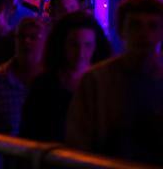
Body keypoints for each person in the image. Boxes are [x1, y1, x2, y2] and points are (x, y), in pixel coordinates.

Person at [66, 0, 163, 164]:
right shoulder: (95, 81)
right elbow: (78, 144)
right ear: (120, 30)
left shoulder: (97, 79)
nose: (144, 34)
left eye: (152, 26)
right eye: (135, 25)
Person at [19, 11, 110, 142]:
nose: (81, 53)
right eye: (74, 45)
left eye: (87, 46)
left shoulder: (104, 86)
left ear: (96, 46)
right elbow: (28, 133)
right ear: (62, 45)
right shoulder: (44, 86)